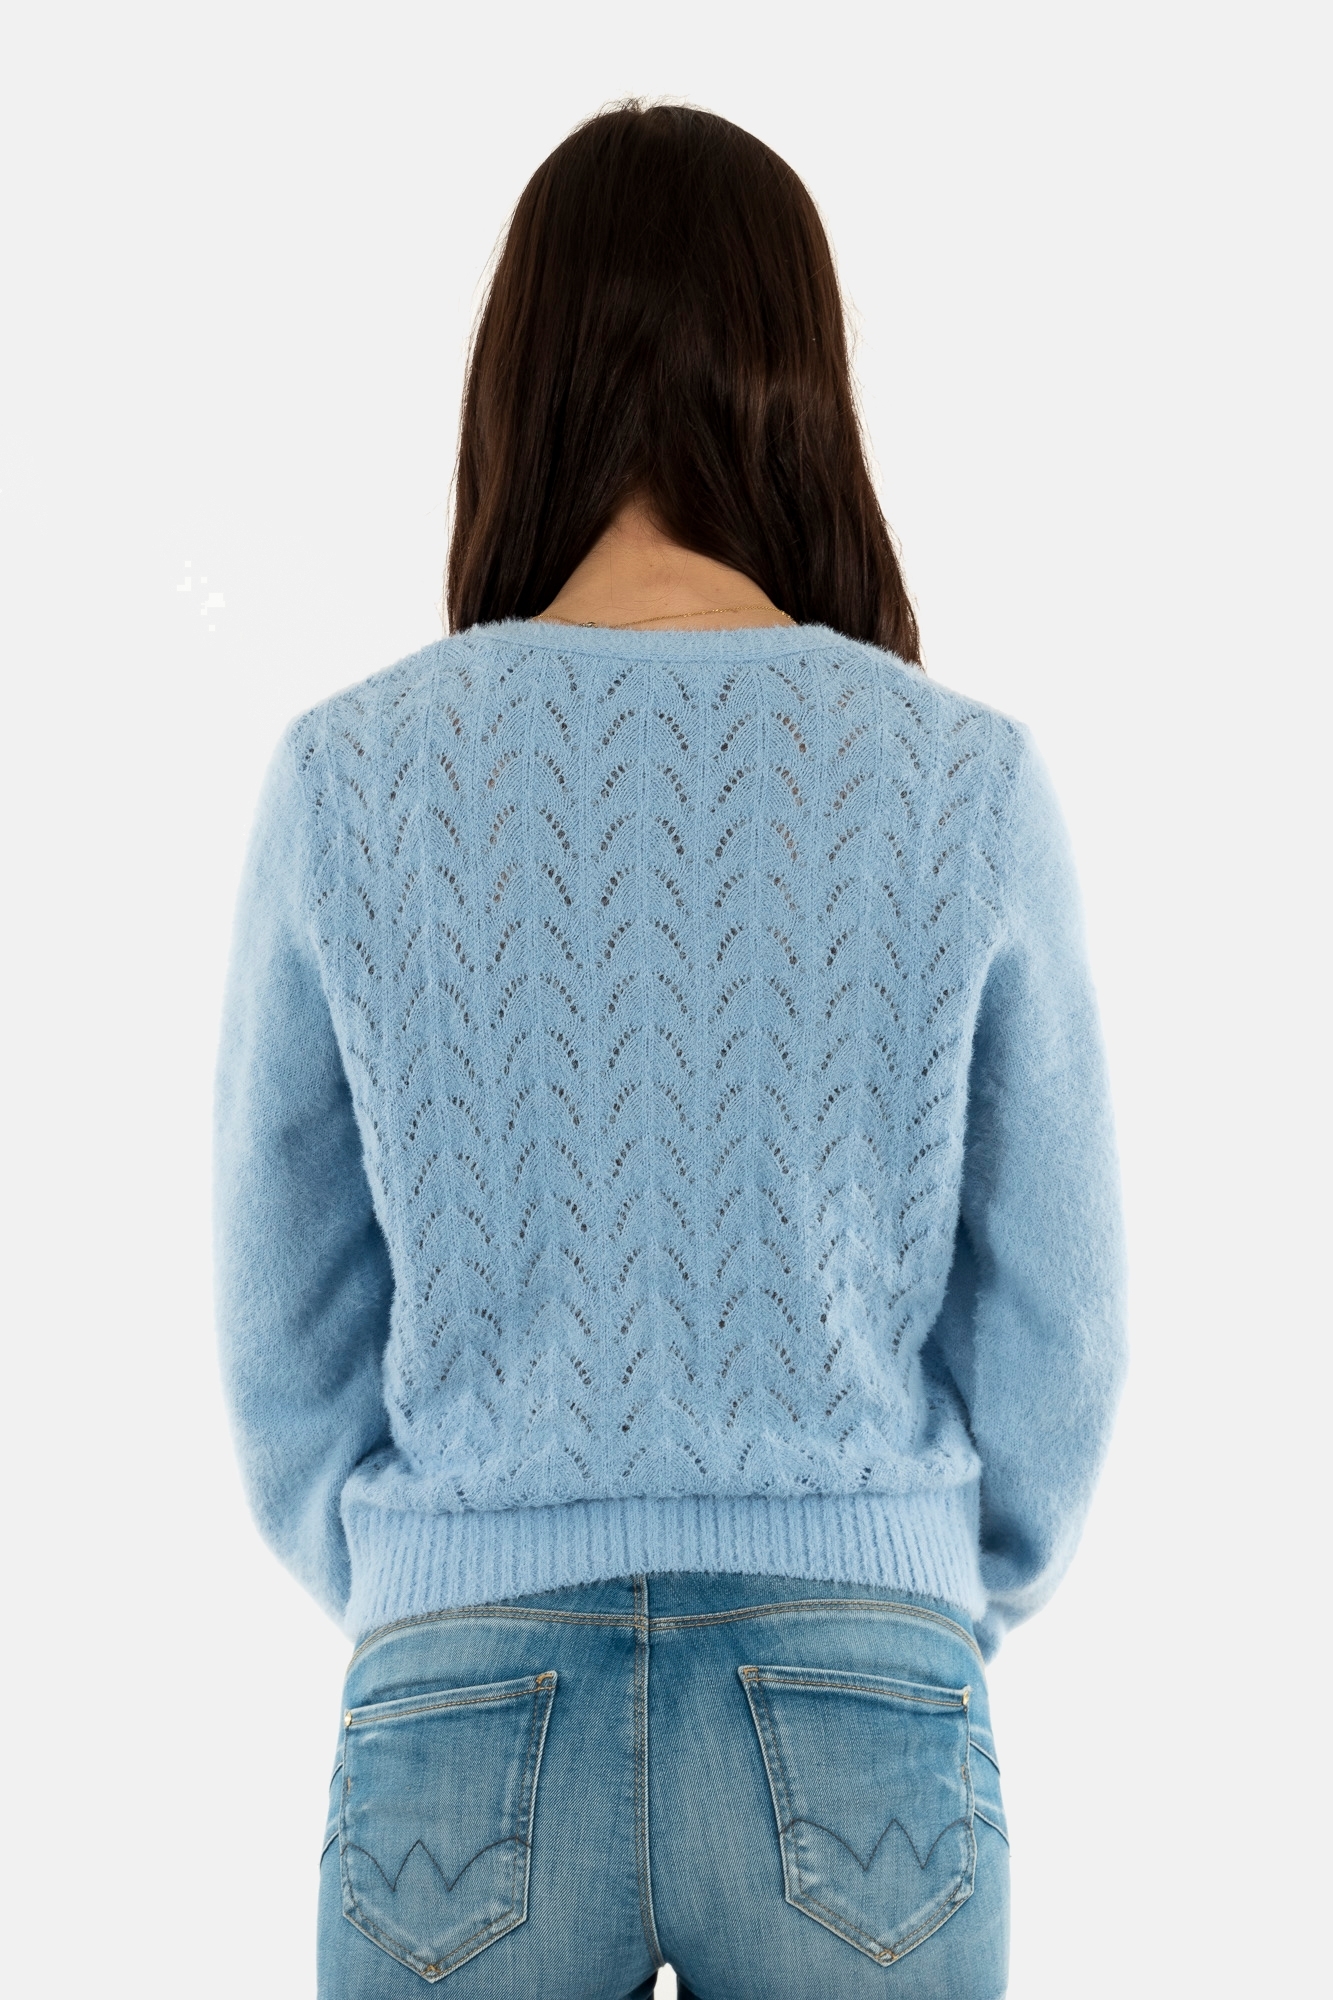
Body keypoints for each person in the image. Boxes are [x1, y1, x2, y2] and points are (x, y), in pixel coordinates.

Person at [215, 101, 1126, 2000]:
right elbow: (1058, 1320)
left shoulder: (350, 777)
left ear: (517, 382)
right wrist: (913, 1580)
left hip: (462, 1688)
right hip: (861, 1681)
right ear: (801, 382)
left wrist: (431, 1583)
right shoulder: (956, 779)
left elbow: (282, 1324)